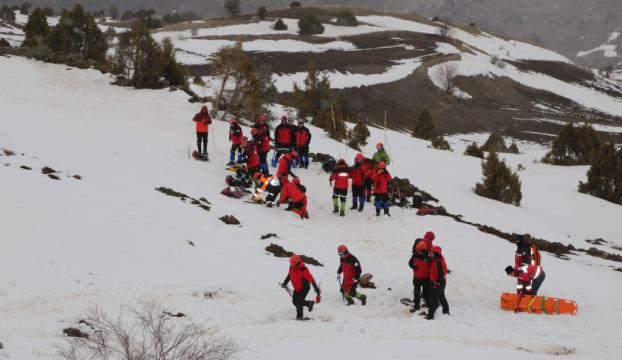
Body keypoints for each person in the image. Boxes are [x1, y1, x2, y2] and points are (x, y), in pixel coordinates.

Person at [281, 254, 321, 320]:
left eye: (293, 264)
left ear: (297, 262)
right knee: (294, 301)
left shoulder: (303, 269)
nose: (292, 265)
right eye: (291, 263)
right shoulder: (291, 267)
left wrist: (316, 289)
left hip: (304, 288)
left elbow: (311, 280)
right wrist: (285, 283)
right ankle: (309, 303)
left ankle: (299, 316)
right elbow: (289, 275)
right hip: (297, 288)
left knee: (299, 302)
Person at [427, 246, 449, 320]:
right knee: (441, 296)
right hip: (441, 282)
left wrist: (436, 283)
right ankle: (446, 311)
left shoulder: (438, 261)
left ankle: (430, 316)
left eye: (431, 253)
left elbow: (441, 273)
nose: (430, 254)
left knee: (433, 298)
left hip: (438, 282)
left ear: (435, 253)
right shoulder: (437, 259)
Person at [408, 240, 431, 313]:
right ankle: (416, 305)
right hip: (417, 277)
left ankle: (428, 305)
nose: (417, 251)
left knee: (426, 292)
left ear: (423, 250)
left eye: (419, 250)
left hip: (426, 279)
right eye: (417, 250)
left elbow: (433, 267)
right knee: (416, 292)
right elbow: (410, 262)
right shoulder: (414, 255)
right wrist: (413, 267)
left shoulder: (428, 258)